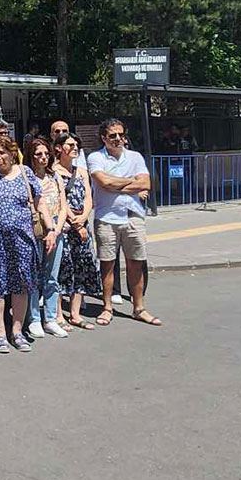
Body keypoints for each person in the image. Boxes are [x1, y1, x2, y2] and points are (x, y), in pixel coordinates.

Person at [0, 134, 53, 353]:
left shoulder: (25, 173)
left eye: (2, 152)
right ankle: (0, 333)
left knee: (22, 284)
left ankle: (17, 331)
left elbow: (40, 203)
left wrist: (50, 229)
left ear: (12, 153)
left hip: (23, 239)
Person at [87, 118, 162, 327]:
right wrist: (132, 182)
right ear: (104, 138)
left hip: (133, 216)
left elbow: (146, 183)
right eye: (112, 135)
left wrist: (116, 184)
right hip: (107, 217)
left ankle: (139, 308)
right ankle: (107, 307)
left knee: (136, 263)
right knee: (107, 264)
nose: (118, 139)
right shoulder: (95, 157)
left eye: (121, 134)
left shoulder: (135, 157)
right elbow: (104, 182)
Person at [50, 133, 98, 330]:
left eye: (76, 145)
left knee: (81, 267)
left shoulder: (82, 171)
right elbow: (60, 200)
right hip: (65, 225)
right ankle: (59, 314)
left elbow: (88, 197)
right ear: (59, 148)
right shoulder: (54, 171)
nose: (75, 148)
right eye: (70, 145)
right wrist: (75, 223)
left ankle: (76, 313)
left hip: (82, 224)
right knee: (62, 268)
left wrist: (84, 217)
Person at [25, 137, 69, 339]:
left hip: (55, 227)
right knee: (34, 275)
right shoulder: (27, 177)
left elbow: (63, 206)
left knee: (52, 276)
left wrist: (56, 230)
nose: (43, 157)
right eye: (38, 154)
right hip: (35, 228)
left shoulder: (55, 176)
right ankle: (34, 318)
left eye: (45, 154)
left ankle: (50, 318)